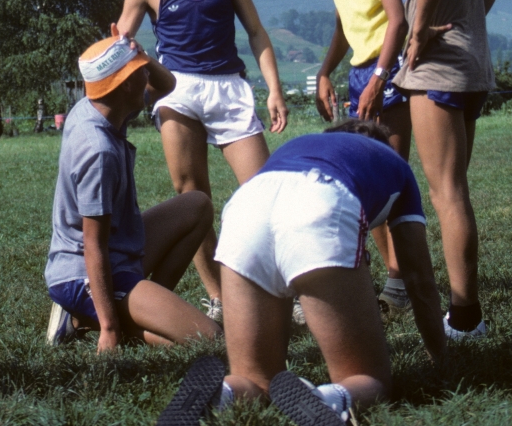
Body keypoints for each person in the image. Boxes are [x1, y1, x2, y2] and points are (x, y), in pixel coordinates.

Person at [157, 120, 447, 426]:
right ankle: (326, 399)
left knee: (255, 381)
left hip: (246, 205)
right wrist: (440, 357)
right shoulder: (394, 163)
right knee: (367, 379)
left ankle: (222, 394)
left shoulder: (303, 144)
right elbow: (419, 279)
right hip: (321, 201)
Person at [355, 0, 506, 340]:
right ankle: (465, 313)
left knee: (447, 194)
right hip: (472, 64)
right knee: (454, 190)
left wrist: (419, 34)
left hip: (438, 67)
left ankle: (465, 319)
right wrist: (466, 25)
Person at [117, 0, 288, 321]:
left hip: (230, 87)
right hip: (176, 90)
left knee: (264, 194)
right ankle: (220, 298)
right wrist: (115, 104)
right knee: (193, 198)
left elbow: (256, 32)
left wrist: (274, 89)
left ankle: (285, 290)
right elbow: (118, 45)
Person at [44, 27, 223, 351]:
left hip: (117, 252)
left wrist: (135, 51)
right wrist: (110, 330)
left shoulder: (97, 106)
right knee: (208, 339)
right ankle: (90, 319)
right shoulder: (97, 151)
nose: (148, 78)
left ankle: (142, 308)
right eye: (141, 71)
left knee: (197, 205)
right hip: (82, 273)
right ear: (126, 84)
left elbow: (166, 84)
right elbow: (93, 245)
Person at [308, 0, 413, 314]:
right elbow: (343, 29)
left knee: (392, 180)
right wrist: (324, 72)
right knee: (365, 181)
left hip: (386, 72)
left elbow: (397, 19)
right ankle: (391, 276)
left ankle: (403, 282)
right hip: (357, 75)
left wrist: (379, 78)